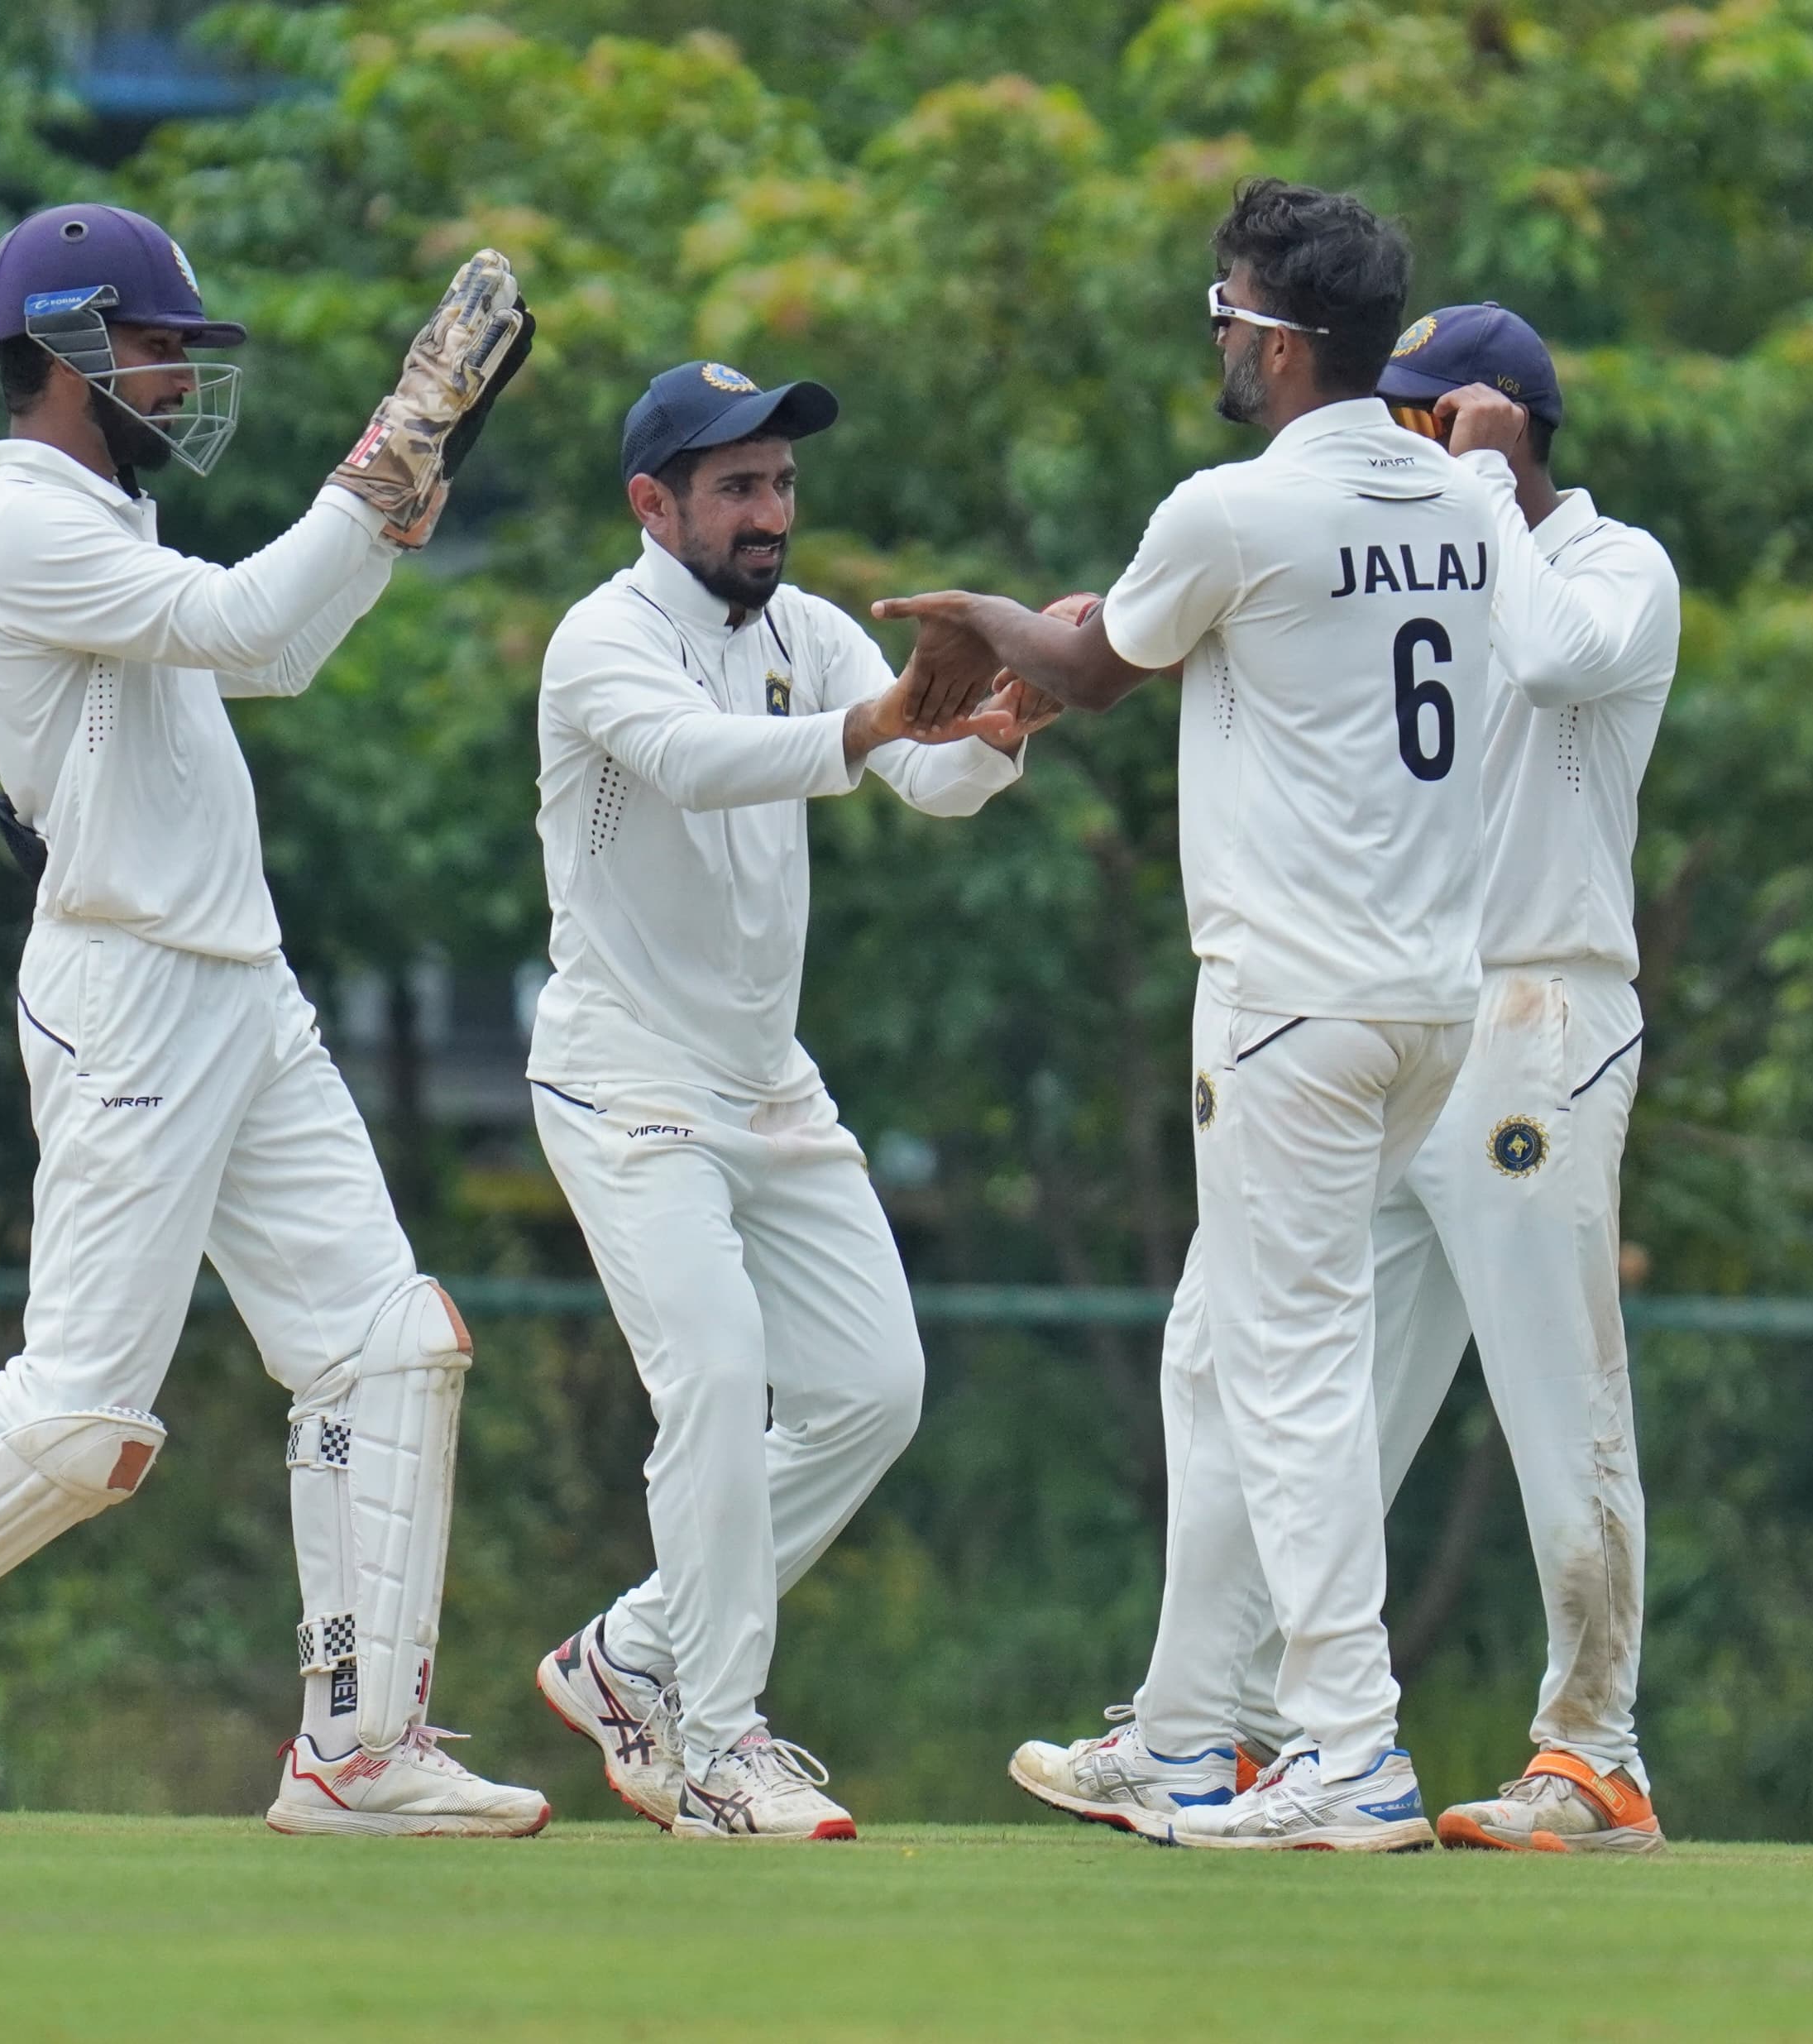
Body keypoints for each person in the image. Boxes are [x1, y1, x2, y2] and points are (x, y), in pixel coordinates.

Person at [0, 203, 547, 1836]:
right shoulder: (22, 527)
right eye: (157, 347)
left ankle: (358, 1755)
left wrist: (399, 483)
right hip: (132, 997)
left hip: (234, 980)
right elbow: (260, 633)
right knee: (82, 1419)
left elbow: (262, 657)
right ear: (66, 351)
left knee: (384, 1347)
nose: (181, 374)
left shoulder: (110, 528)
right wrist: (399, 435)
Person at [998, 304, 1683, 1854]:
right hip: (1397, 1009)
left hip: (1539, 1018)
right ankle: (1203, 1728)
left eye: (1428, 414)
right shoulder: (1404, 533)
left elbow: (1557, 653)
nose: (1397, 436)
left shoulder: (1606, 562)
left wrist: (1487, 494)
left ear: (1497, 424)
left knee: (1552, 1382)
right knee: (1245, 1365)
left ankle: (1595, 1750)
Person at [878, 179, 1495, 1850]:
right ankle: (1177, 1736)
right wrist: (1069, 640)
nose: (1217, 333)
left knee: (1284, 1373)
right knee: (1219, 1351)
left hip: (1295, 1000)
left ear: (1286, 346)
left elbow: (1086, 671)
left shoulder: (1234, 507)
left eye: (1230, 310)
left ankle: (1348, 1749)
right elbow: (1163, 646)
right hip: (1429, 1003)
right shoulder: (1470, 507)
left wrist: (985, 624)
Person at [524, 363, 1052, 1841]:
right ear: (655, 503)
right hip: (628, 1073)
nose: (771, 515)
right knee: (713, 1372)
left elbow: (921, 783)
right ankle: (718, 1737)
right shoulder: (602, 641)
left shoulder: (807, 632)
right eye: (739, 488)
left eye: (782, 484)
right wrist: (887, 722)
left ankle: (633, 1653)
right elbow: (697, 769)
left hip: (769, 1080)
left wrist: (997, 727)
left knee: (873, 1394)